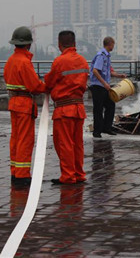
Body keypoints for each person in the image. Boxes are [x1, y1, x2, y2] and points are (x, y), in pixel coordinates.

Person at [3, 26, 47, 187]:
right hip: (24, 104)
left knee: (15, 138)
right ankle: (22, 175)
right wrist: (47, 86)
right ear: (28, 44)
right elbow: (35, 86)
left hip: (14, 103)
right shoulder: (24, 62)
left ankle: (15, 172)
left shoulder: (10, 61)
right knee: (25, 140)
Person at [44, 30, 89, 185]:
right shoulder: (83, 61)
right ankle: (79, 174)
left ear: (59, 44)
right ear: (75, 43)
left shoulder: (59, 61)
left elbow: (49, 83)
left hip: (63, 109)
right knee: (77, 143)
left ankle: (68, 176)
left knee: (64, 144)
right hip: (79, 108)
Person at [89, 36, 126, 138]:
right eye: (113, 44)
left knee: (110, 105)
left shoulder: (107, 56)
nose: (114, 46)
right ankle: (97, 131)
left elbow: (109, 71)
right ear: (110, 44)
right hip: (98, 86)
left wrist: (119, 76)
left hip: (104, 87)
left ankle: (106, 127)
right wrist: (104, 83)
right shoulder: (101, 55)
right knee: (98, 109)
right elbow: (95, 71)